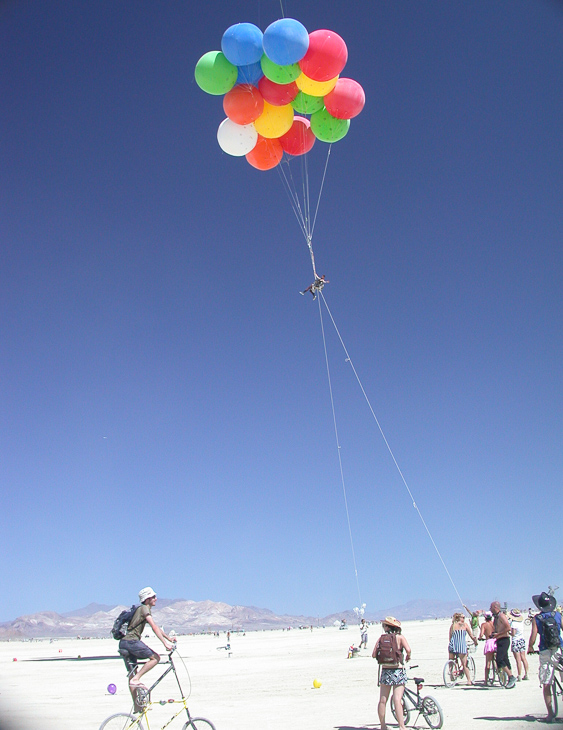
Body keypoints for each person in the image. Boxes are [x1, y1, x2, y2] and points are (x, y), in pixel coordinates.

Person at [119, 587, 176, 705]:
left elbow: (156, 627)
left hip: (124, 642)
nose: (156, 599)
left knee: (132, 672)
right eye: (153, 597)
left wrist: (169, 638)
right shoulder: (145, 608)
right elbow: (154, 627)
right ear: (147, 599)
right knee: (155, 658)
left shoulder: (140, 609)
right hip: (132, 641)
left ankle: (137, 705)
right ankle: (136, 679)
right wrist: (165, 644)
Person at [527, 591, 563, 723]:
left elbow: (533, 635)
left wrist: (530, 647)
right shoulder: (558, 615)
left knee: (547, 683)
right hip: (559, 649)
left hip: (545, 651)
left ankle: (550, 714)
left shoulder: (537, 619)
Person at [373, 616, 411, 730]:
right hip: (398, 670)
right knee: (397, 699)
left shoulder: (381, 638)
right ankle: (401, 726)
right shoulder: (400, 637)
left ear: (386, 627)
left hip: (385, 671)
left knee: (382, 700)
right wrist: (408, 656)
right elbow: (408, 650)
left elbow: (374, 654)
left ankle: (383, 726)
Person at [490, 601, 516, 688]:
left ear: (495, 607)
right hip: (499, 639)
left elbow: (508, 628)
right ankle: (510, 679)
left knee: (499, 659)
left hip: (504, 639)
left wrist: (498, 634)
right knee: (505, 659)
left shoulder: (501, 616)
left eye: (491, 607)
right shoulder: (496, 617)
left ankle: (511, 677)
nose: (490, 609)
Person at [448, 612, 478, 685]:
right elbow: (471, 635)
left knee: (451, 661)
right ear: (459, 618)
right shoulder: (465, 625)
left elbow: (450, 637)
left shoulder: (453, 626)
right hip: (461, 646)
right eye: (463, 617)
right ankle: (469, 680)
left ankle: (451, 675)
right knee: (464, 664)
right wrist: (475, 641)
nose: (464, 619)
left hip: (453, 645)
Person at [509, 608, 529, 681]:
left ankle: (519, 675)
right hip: (521, 640)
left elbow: (513, 634)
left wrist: (509, 633)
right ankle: (527, 674)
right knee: (523, 658)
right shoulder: (520, 622)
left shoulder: (513, 623)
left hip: (516, 641)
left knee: (518, 659)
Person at [479, 611, 497, 685]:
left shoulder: (484, 625)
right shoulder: (494, 624)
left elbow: (481, 634)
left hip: (489, 642)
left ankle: (486, 680)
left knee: (488, 663)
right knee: (497, 659)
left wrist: (480, 638)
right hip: (496, 641)